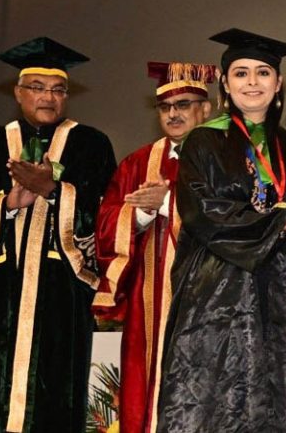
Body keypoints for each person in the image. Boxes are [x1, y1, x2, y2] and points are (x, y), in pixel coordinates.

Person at [156, 28, 286, 432]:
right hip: (219, 297)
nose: (252, 82)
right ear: (225, 85)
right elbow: (203, 213)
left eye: (263, 73)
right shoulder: (202, 143)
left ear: (278, 83)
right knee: (218, 404)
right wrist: (280, 220)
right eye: (241, 73)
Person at [0, 37, 116, 432]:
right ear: (18, 93)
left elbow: (106, 215)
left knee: (57, 396)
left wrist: (53, 191)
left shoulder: (91, 146)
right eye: (38, 87)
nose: (48, 97)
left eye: (58, 89)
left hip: (62, 295)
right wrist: (6, 203)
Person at [93, 61, 216, 432]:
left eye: (184, 104)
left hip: (211, 298)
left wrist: (168, 203)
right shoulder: (137, 162)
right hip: (150, 307)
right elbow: (104, 222)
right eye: (166, 107)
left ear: (206, 109)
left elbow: (231, 217)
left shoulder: (225, 157)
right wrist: (143, 215)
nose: (174, 114)